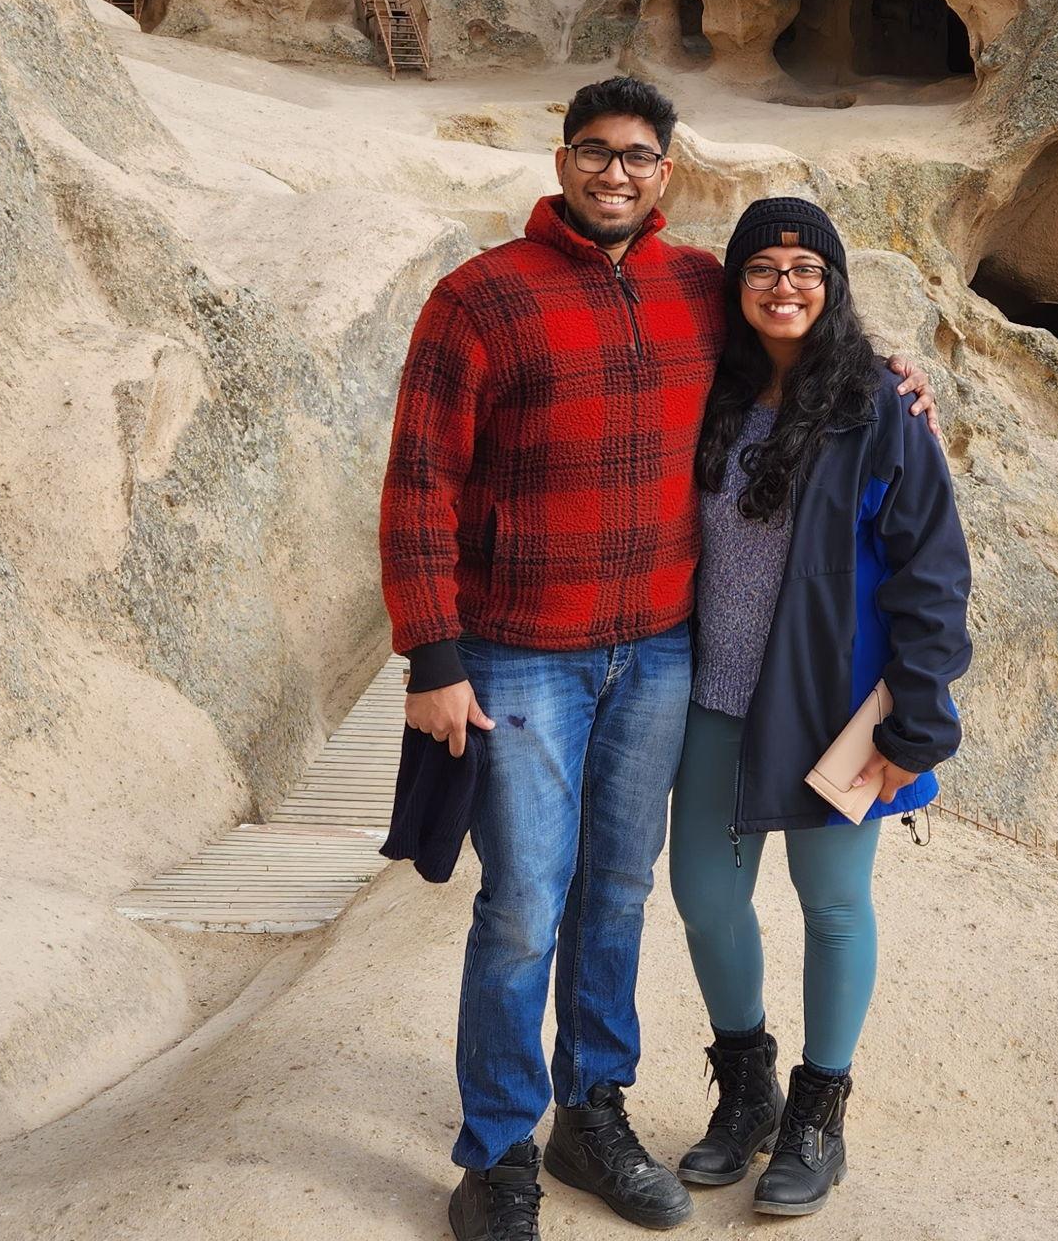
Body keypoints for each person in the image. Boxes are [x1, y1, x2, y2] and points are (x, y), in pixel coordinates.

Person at [379, 78, 935, 1241]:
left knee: (620, 892)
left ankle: (591, 1106)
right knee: (527, 900)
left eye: (637, 155)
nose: (614, 173)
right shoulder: (479, 298)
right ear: (563, 157)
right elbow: (420, 481)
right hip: (524, 654)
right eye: (594, 151)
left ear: (667, 171)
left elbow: (814, 332)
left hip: (655, 657)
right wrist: (433, 653)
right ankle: (494, 1154)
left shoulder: (695, 287)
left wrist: (899, 385)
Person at [667, 196, 971, 1218]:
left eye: (804, 267)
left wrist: (917, 721)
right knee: (705, 894)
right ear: (735, 284)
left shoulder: (876, 401)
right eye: (762, 266)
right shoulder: (711, 386)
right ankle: (747, 1083)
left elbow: (930, 566)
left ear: (831, 285)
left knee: (832, 901)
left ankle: (816, 1110)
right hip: (716, 693)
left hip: (834, 707)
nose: (783, 284)